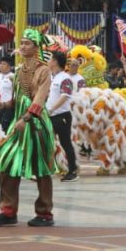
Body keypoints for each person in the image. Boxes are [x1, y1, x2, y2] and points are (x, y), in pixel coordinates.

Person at [0, 30, 57, 227]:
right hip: (19, 123)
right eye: (22, 43)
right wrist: (3, 104)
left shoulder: (44, 71)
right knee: (8, 163)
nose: (23, 46)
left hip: (36, 124)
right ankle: (8, 210)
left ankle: (44, 213)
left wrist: (26, 118)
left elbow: (39, 98)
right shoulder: (18, 72)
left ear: (36, 47)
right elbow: (18, 99)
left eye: (27, 43)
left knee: (41, 168)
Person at [47, 52, 79, 182]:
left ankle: (72, 171)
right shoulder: (54, 77)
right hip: (51, 115)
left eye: (50, 59)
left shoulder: (65, 78)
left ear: (55, 62)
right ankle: (46, 169)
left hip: (61, 116)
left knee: (66, 143)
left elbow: (65, 95)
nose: (48, 62)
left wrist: (52, 108)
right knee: (46, 141)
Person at [0, 58, 15, 132]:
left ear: (9, 66)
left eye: (4, 64)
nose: (1, 66)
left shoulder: (13, 77)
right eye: (0, 64)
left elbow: (15, 93)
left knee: (5, 127)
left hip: (8, 107)